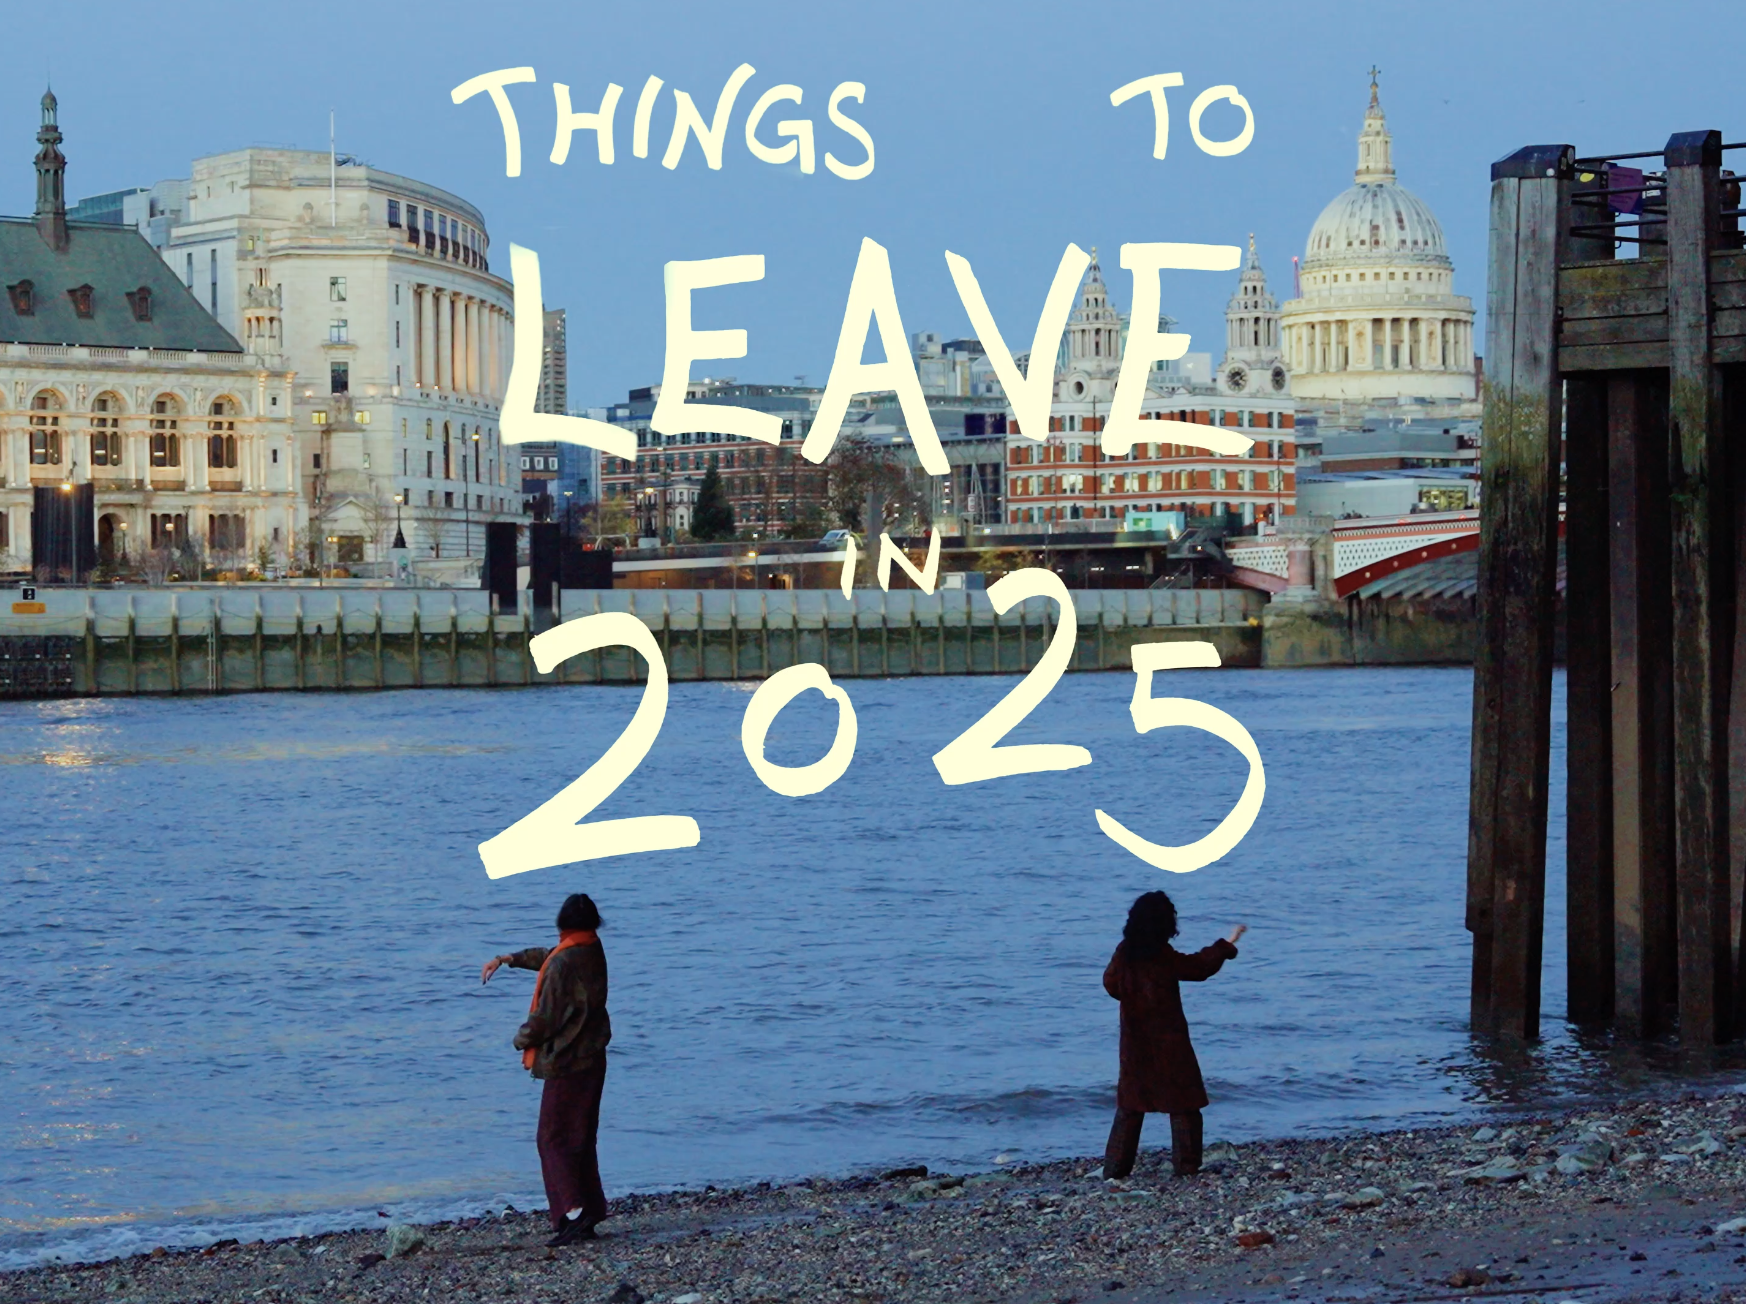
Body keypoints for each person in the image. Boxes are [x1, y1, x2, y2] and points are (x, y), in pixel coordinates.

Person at [481, 892, 612, 1247]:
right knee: (580, 1138)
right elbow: (550, 958)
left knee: (552, 1139)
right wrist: (508, 959)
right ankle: (589, 1211)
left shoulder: (565, 961)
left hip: (568, 1061)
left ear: (563, 923)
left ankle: (573, 1213)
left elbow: (545, 1018)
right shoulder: (590, 948)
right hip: (593, 1057)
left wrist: (520, 1039)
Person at [1101, 890, 1245, 1180]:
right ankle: (1186, 1166)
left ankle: (1115, 1170)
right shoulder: (1161, 954)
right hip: (1168, 1038)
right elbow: (1198, 968)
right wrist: (1227, 944)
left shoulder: (1125, 951)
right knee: (1184, 1102)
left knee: (1130, 1106)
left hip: (1135, 1040)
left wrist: (1133, 996)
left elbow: (1110, 984)